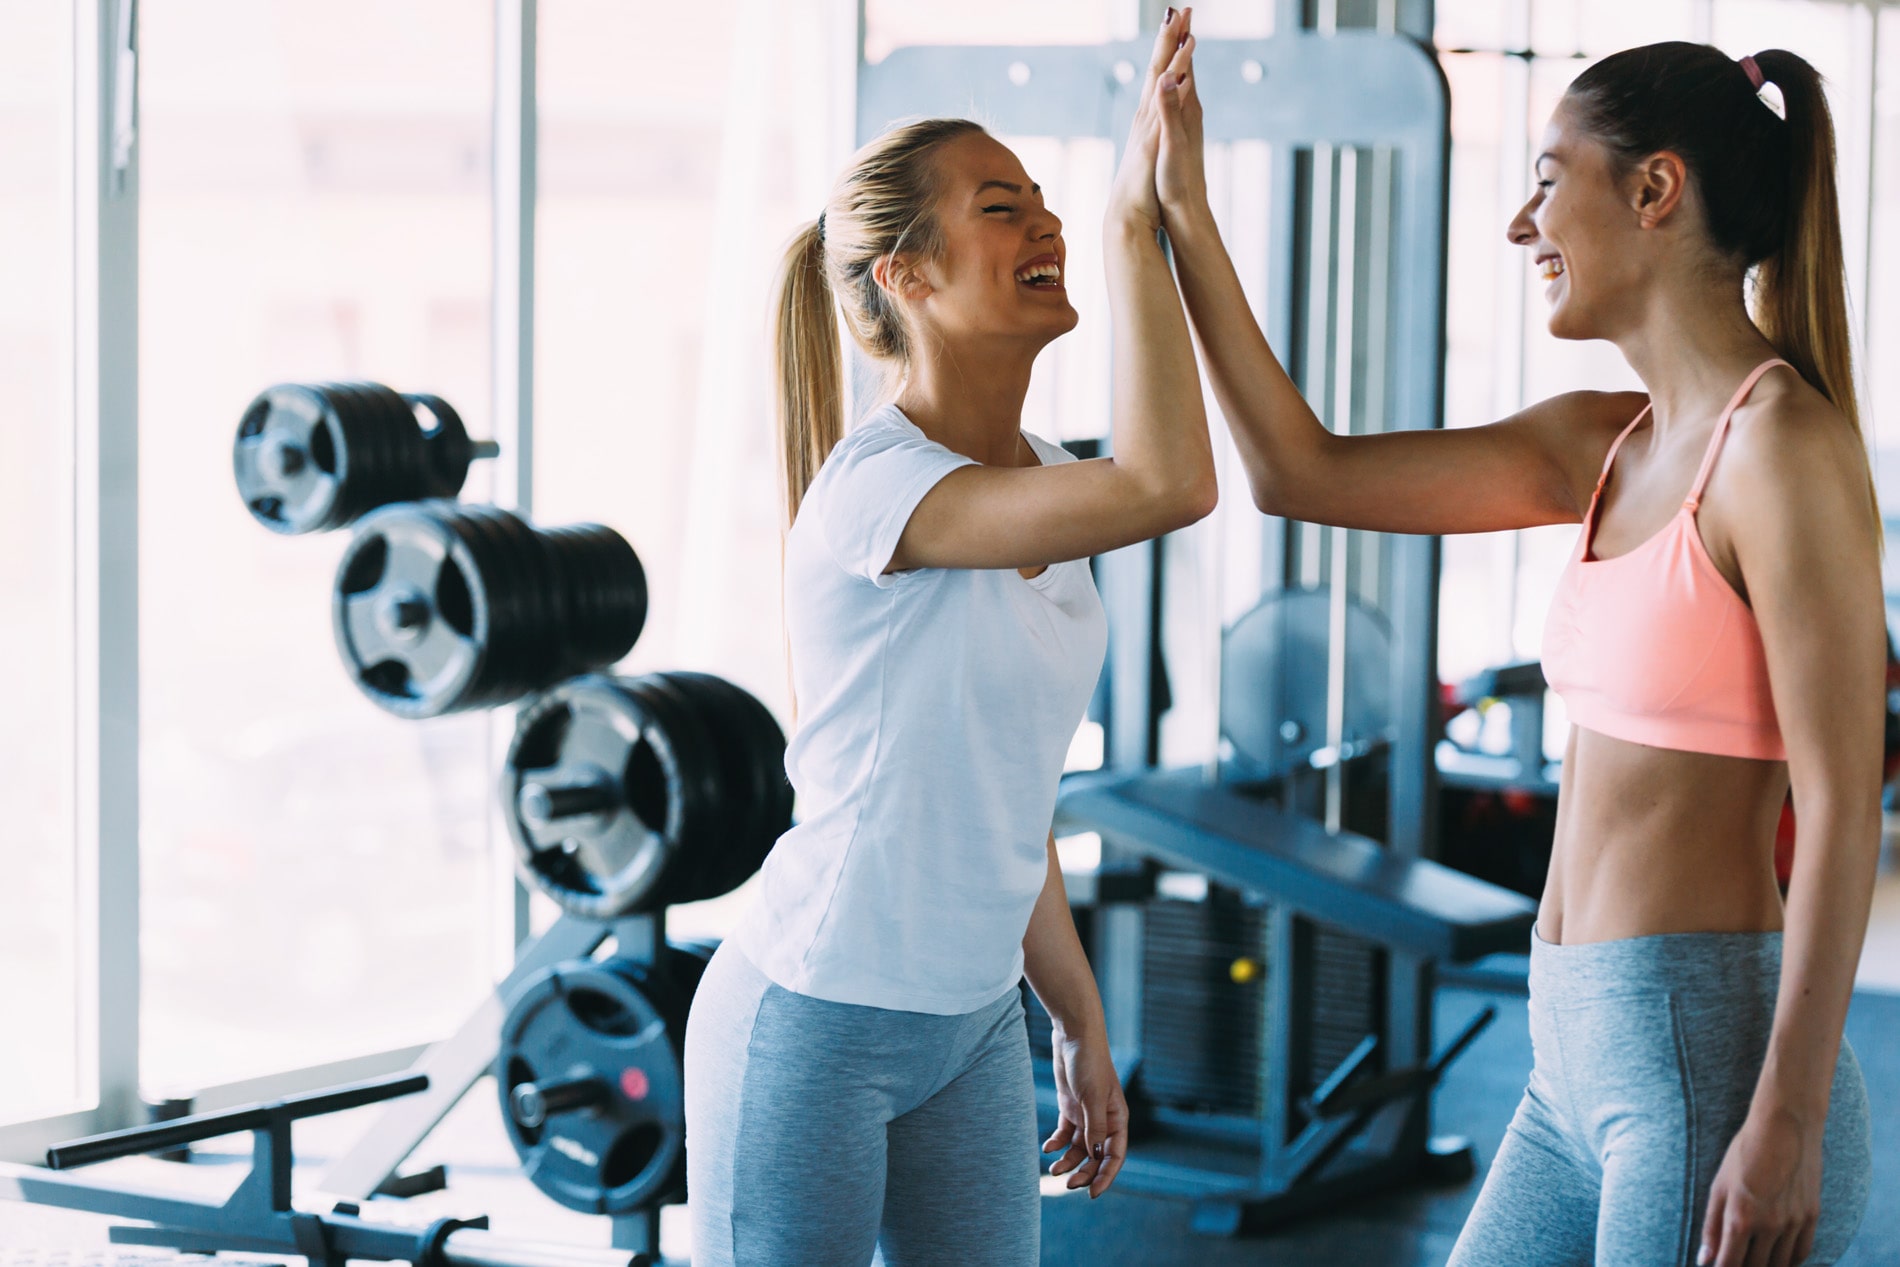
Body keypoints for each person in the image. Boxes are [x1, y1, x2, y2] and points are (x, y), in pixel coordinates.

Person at [1154, 37, 1877, 1267]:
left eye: (1547, 178)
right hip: (1570, 1063)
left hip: (1704, 1070)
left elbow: (1847, 808)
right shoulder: (1611, 442)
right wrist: (1183, 212)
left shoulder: (1778, 452)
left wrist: (1788, 1121)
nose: (1517, 222)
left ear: (1654, 191)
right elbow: (1298, 471)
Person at [682, 12, 1213, 1266]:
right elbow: (1174, 483)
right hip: (813, 1015)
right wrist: (1145, 223)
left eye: (1044, 200)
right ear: (907, 278)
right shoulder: (878, 488)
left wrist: (1076, 1019)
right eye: (999, 206)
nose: (1047, 224)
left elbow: (1005, 799)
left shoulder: (1046, 474)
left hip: (973, 1021)